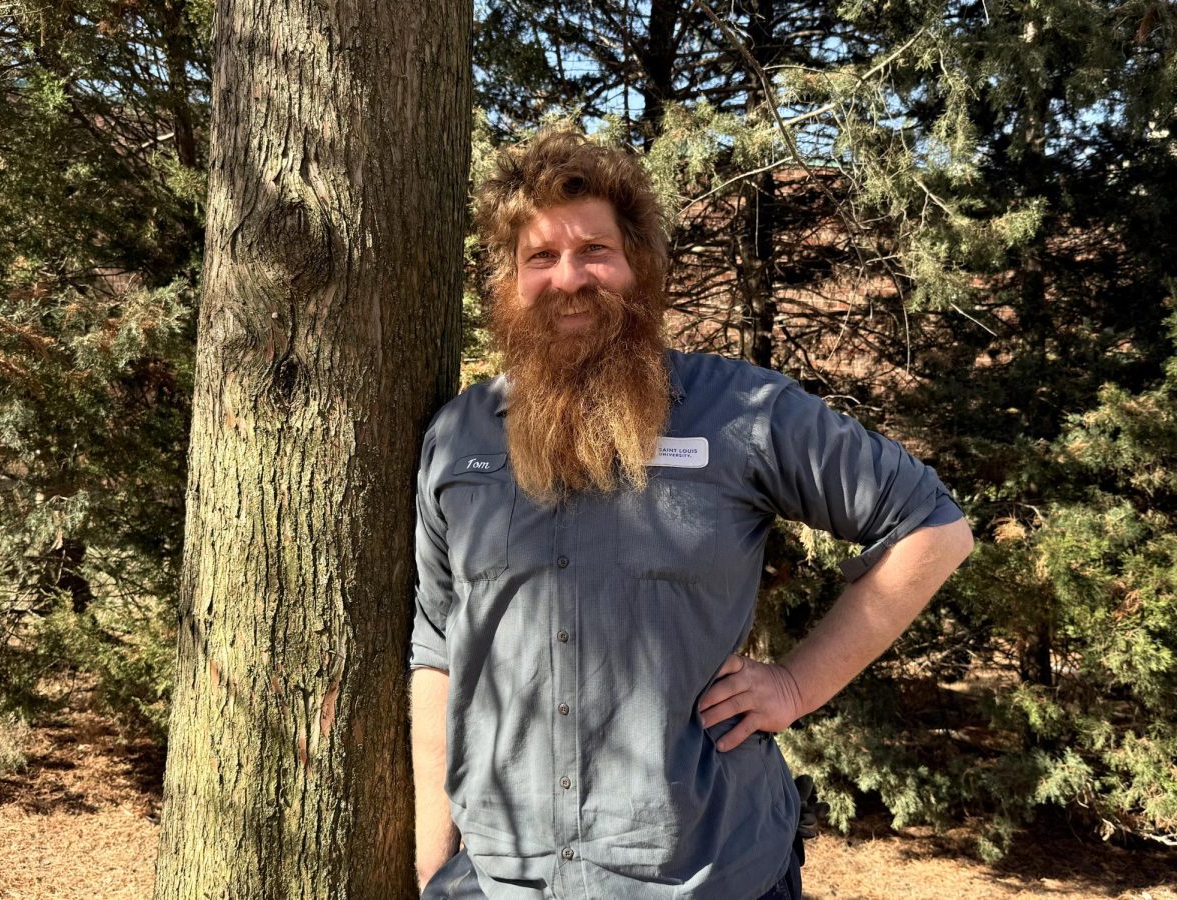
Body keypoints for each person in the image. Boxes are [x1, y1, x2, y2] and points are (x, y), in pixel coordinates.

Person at [409, 130, 974, 900]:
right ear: (510, 281)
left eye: (594, 250)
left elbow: (934, 527)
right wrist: (431, 861)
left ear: (638, 263)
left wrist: (796, 688)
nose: (569, 277)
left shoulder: (741, 411)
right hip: (502, 879)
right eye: (540, 257)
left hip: (707, 874)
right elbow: (440, 648)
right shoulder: (457, 437)